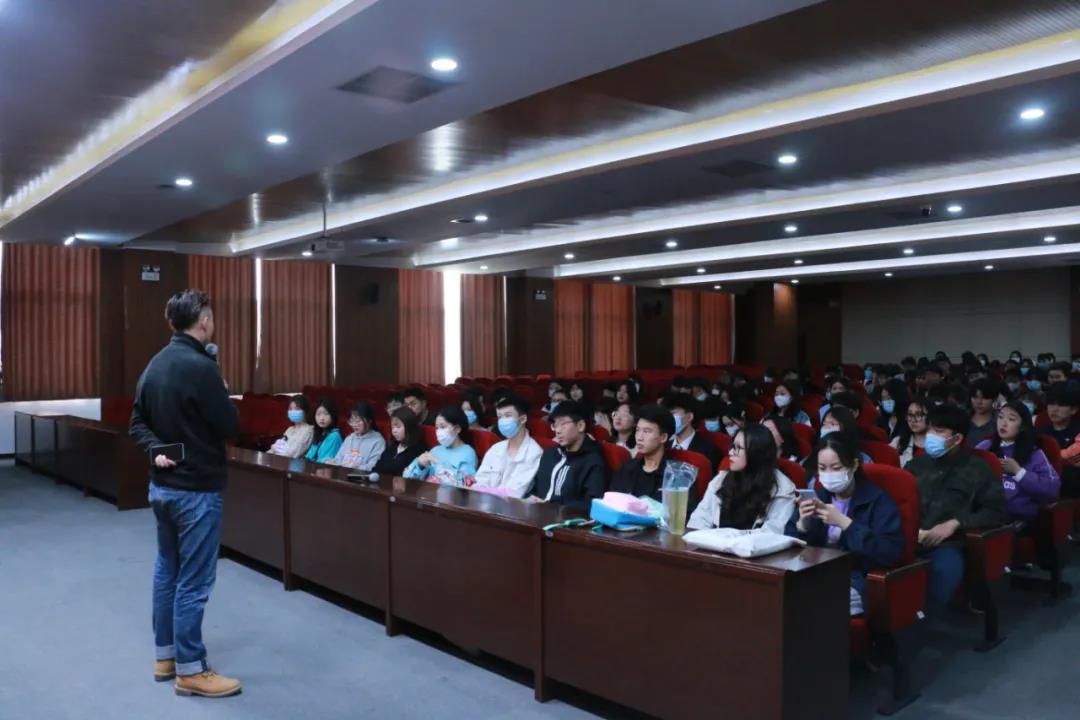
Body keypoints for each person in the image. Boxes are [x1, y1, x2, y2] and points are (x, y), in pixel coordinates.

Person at [129, 289, 242, 697]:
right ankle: (191, 670)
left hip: (162, 488)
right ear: (204, 321)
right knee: (194, 580)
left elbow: (137, 422)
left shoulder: (155, 364)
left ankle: (166, 657)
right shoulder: (202, 368)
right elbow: (230, 425)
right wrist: (222, 387)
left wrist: (156, 449)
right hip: (196, 491)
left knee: (167, 571)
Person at [905, 404, 1008, 617]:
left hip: (950, 544)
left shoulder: (977, 469)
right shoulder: (915, 466)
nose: (931, 436)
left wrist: (956, 523)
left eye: (939, 431)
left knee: (943, 573)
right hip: (909, 539)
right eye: (930, 429)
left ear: (957, 438)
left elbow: (996, 511)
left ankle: (918, 623)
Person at [786, 433, 903, 615]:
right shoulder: (817, 497)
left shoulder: (878, 501)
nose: (828, 474)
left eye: (836, 468)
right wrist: (802, 525)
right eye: (822, 468)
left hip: (855, 579)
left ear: (854, 465)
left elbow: (888, 553)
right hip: (814, 573)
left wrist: (845, 523)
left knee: (810, 608)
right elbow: (789, 546)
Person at [687, 424, 795, 533]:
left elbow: (772, 533)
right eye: (732, 446)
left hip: (753, 543)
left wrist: (729, 539)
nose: (730, 452)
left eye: (738, 448)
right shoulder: (721, 479)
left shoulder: (783, 490)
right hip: (713, 542)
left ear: (756, 453)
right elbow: (699, 519)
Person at [611, 404, 701, 516]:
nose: (639, 437)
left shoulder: (678, 475)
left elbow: (685, 517)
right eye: (638, 430)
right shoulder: (626, 468)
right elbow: (611, 505)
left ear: (663, 437)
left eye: (647, 431)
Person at [977, 401, 1060, 522]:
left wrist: (1019, 472)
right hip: (983, 512)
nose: (1003, 423)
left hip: (1017, 518)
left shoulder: (1034, 454)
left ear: (1022, 426)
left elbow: (1052, 490)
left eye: (1011, 419)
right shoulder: (985, 446)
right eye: (1000, 417)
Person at [528, 401, 606, 509]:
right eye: (555, 425)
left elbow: (591, 503)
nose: (557, 431)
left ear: (580, 426)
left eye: (563, 424)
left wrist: (552, 507)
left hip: (564, 517)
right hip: (535, 513)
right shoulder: (549, 454)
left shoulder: (593, 461)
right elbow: (535, 488)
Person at [473, 395, 543, 498]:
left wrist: (486, 491)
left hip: (512, 506)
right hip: (483, 502)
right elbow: (479, 481)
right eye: (500, 417)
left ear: (523, 419)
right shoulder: (496, 448)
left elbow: (515, 492)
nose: (502, 421)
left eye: (508, 416)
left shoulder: (534, 452)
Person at [403, 405, 478, 487]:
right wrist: (420, 465)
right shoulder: (435, 450)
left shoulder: (467, 453)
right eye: (437, 428)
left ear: (457, 428)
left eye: (442, 427)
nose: (439, 432)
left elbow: (465, 485)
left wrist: (439, 465)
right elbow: (407, 478)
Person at [663, 393, 720, 471]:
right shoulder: (664, 447)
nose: (669, 418)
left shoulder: (708, 450)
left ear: (690, 416)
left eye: (673, 413)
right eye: (667, 414)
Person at [332, 401, 386, 472]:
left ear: (369, 421)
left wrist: (354, 468)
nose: (354, 424)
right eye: (352, 421)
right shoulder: (349, 438)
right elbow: (338, 459)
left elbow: (373, 466)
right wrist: (331, 462)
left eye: (358, 421)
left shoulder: (378, 441)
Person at [372, 407, 424, 476]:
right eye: (392, 427)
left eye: (398, 427)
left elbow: (404, 472)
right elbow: (376, 467)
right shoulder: (393, 446)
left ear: (409, 426)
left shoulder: (418, 449)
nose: (394, 431)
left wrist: (386, 466)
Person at [891, 397, 930, 468]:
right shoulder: (897, 442)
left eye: (918, 414)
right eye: (910, 414)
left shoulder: (937, 444)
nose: (913, 420)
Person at [304, 398, 343, 464]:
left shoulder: (334, 436)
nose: (321, 418)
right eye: (318, 414)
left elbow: (323, 463)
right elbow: (308, 457)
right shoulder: (320, 433)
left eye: (326, 414)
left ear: (333, 415)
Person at [965, 378, 999, 448]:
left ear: (994, 399)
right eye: (975, 397)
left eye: (985, 398)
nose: (979, 402)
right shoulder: (962, 418)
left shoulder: (999, 422)